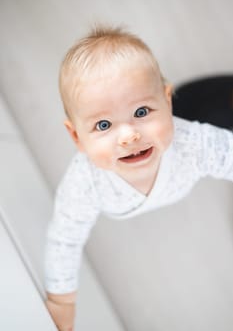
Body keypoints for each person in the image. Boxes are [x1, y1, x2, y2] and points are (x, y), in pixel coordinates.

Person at [45, 25, 233, 331]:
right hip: (179, 112)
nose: (129, 135)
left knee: (211, 108)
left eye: (141, 111)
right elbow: (64, 239)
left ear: (165, 100)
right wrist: (62, 300)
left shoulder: (193, 144)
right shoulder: (85, 183)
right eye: (104, 125)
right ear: (76, 136)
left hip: (191, 112)